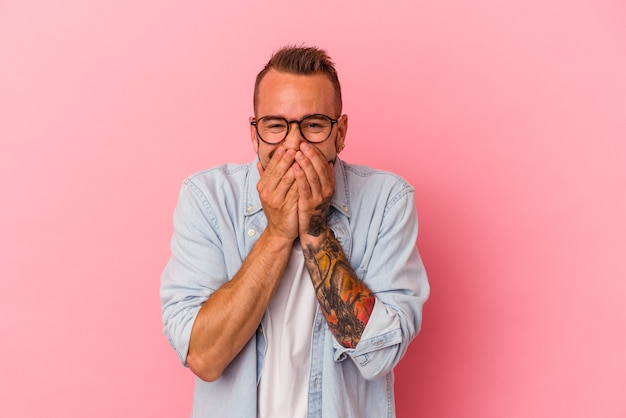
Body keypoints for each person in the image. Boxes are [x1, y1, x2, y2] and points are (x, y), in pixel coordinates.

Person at [160, 45, 430, 417]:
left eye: (314, 124)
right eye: (275, 125)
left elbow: (378, 357)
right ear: (255, 135)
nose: (293, 143)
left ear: (341, 132)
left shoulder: (387, 201)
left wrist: (316, 227)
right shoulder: (206, 200)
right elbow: (204, 358)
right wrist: (277, 233)